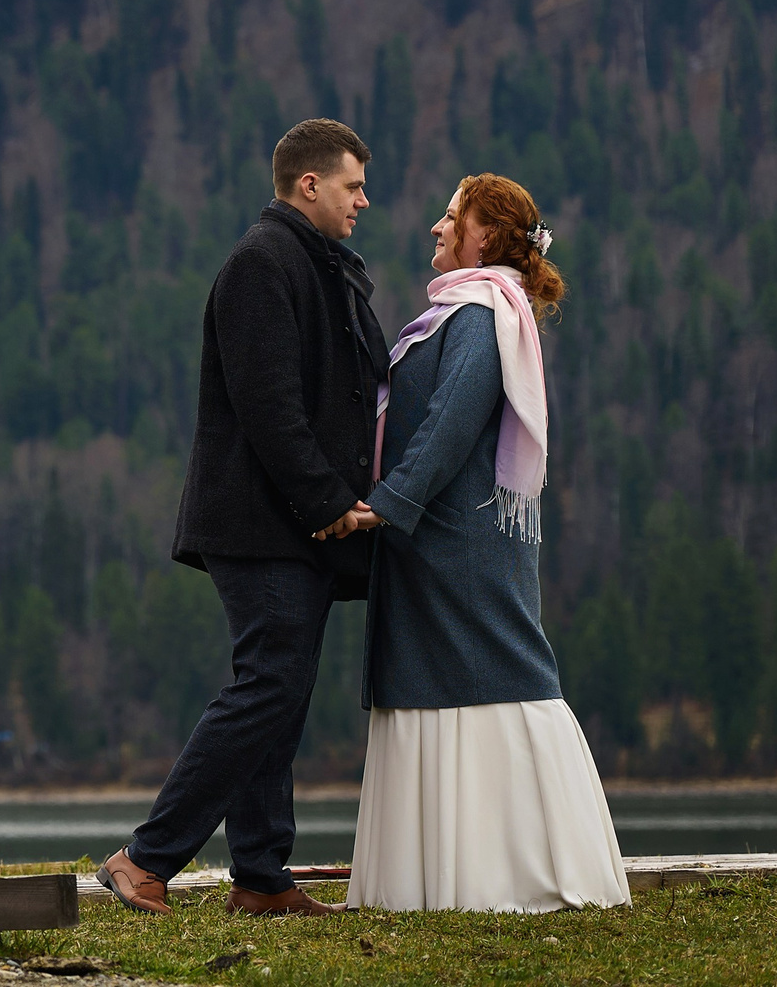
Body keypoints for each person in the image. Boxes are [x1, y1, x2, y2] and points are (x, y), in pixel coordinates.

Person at [100, 119, 389, 919]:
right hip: (259, 525)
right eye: (352, 184)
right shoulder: (262, 265)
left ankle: (260, 876)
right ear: (309, 184)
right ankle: (144, 856)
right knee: (269, 682)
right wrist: (327, 502)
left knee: (282, 688)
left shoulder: (320, 265)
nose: (364, 199)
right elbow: (269, 406)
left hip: (290, 524)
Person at [339, 174, 627, 912]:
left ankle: (526, 873)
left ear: (487, 237)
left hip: (458, 544)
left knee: (502, 674)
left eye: (450, 217)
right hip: (426, 543)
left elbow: (453, 418)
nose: (436, 228)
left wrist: (388, 503)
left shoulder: (480, 315)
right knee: (425, 685)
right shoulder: (457, 314)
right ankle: (431, 883)